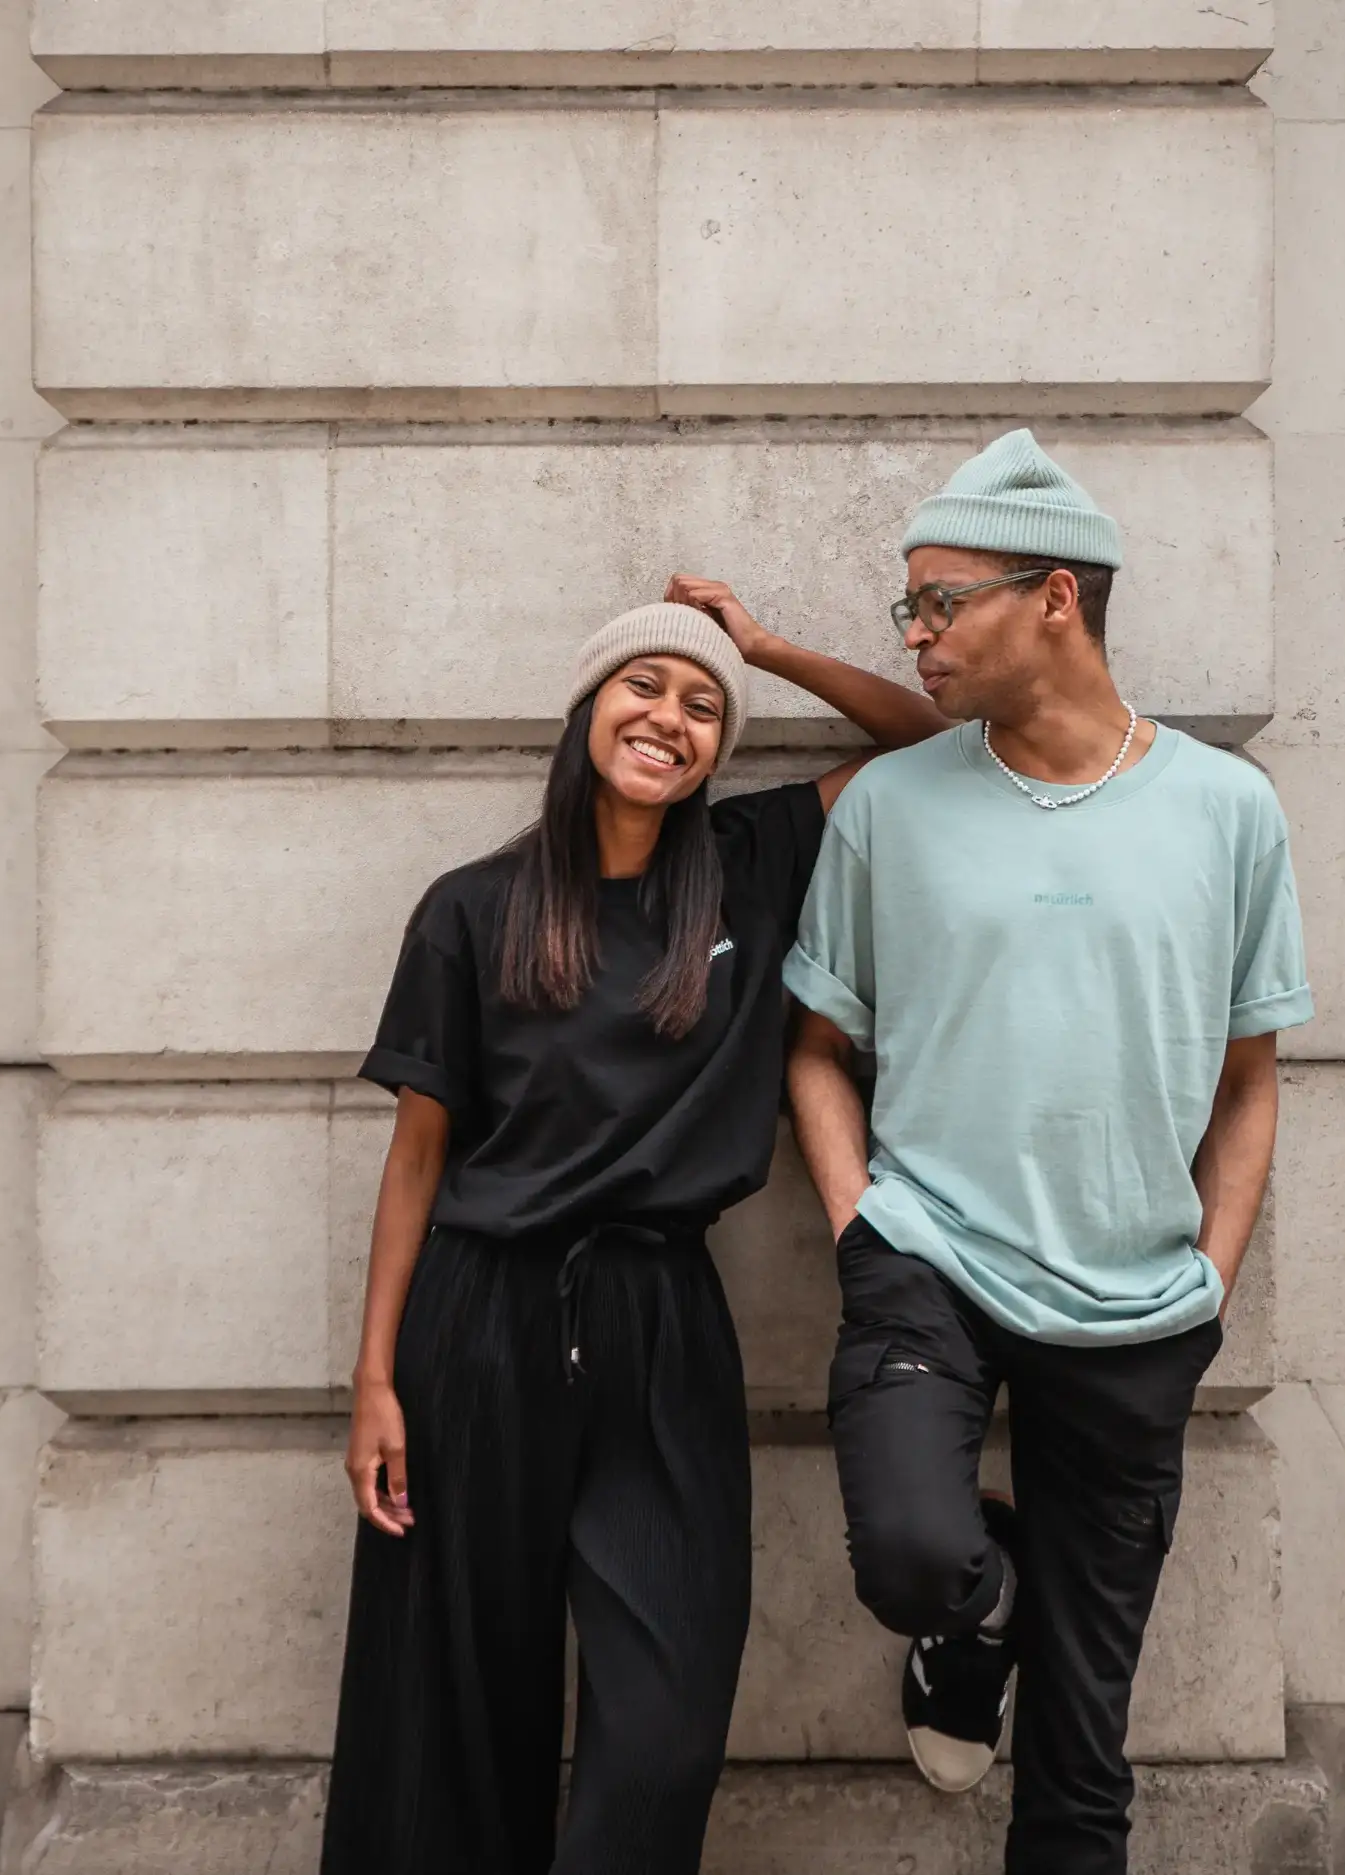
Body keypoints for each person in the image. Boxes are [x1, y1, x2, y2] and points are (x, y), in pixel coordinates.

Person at [319, 589, 944, 1875]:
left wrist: (764, 649)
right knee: (455, 1700)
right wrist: (376, 1377)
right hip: (478, 1321)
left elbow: (932, 748)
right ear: (589, 708)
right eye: (644, 688)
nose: (670, 717)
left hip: (660, 1322)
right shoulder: (469, 907)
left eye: (704, 705)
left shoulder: (757, 862)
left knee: (664, 1720)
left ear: (722, 745)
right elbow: (418, 1156)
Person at [783, 430, 1314, 1875]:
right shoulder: (891, 805)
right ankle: (980, 1593)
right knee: (908, 1552)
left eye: (940, 600)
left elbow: (1252, 1078)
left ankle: (1019, 1635)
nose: (915, 633)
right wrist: (860, 1222)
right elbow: (816, 1048)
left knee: (1084, 1752)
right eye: (912, 606)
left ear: (1058, 598)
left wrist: (1209, 1271)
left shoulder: (1227, 810)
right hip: (930, 1262)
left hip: (1140, 1304)